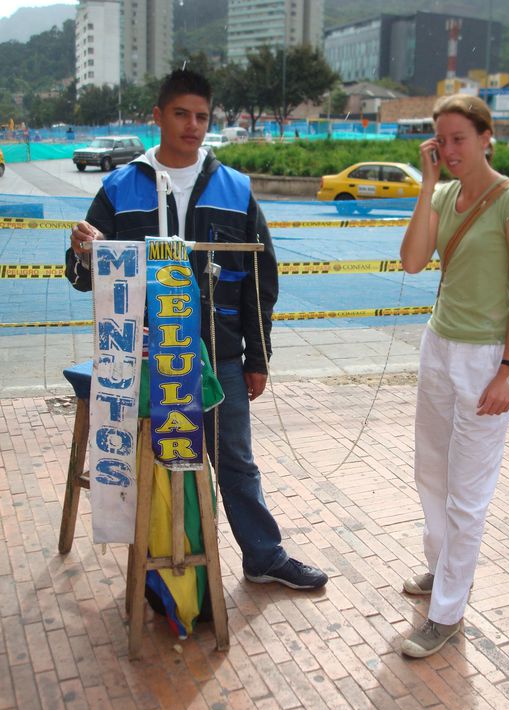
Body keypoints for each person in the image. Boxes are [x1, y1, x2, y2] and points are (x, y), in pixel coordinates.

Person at [65, 68, 328, 591]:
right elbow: (80, 276)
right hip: (143, 359)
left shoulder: (235, 189)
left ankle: (262, 555)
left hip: (219, 356)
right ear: (158, 116)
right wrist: (81, 251)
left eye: (202, 116)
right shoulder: (119, 188)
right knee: (152, 463)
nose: (192, 125)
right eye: (181, 114)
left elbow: (259, 282)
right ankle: (158, 566)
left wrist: (257, 357)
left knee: (234, 460)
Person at [399, 94, 509, 658]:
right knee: (431, 473)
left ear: (487, 137)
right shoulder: (445, 193)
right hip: (439, 348)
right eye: (443, 141)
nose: (451, 150)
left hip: (487, 360)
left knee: (468, 494)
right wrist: (426, 184)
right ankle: (443, 571)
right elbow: (412, 261)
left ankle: (447, 614)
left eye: (461, 139)